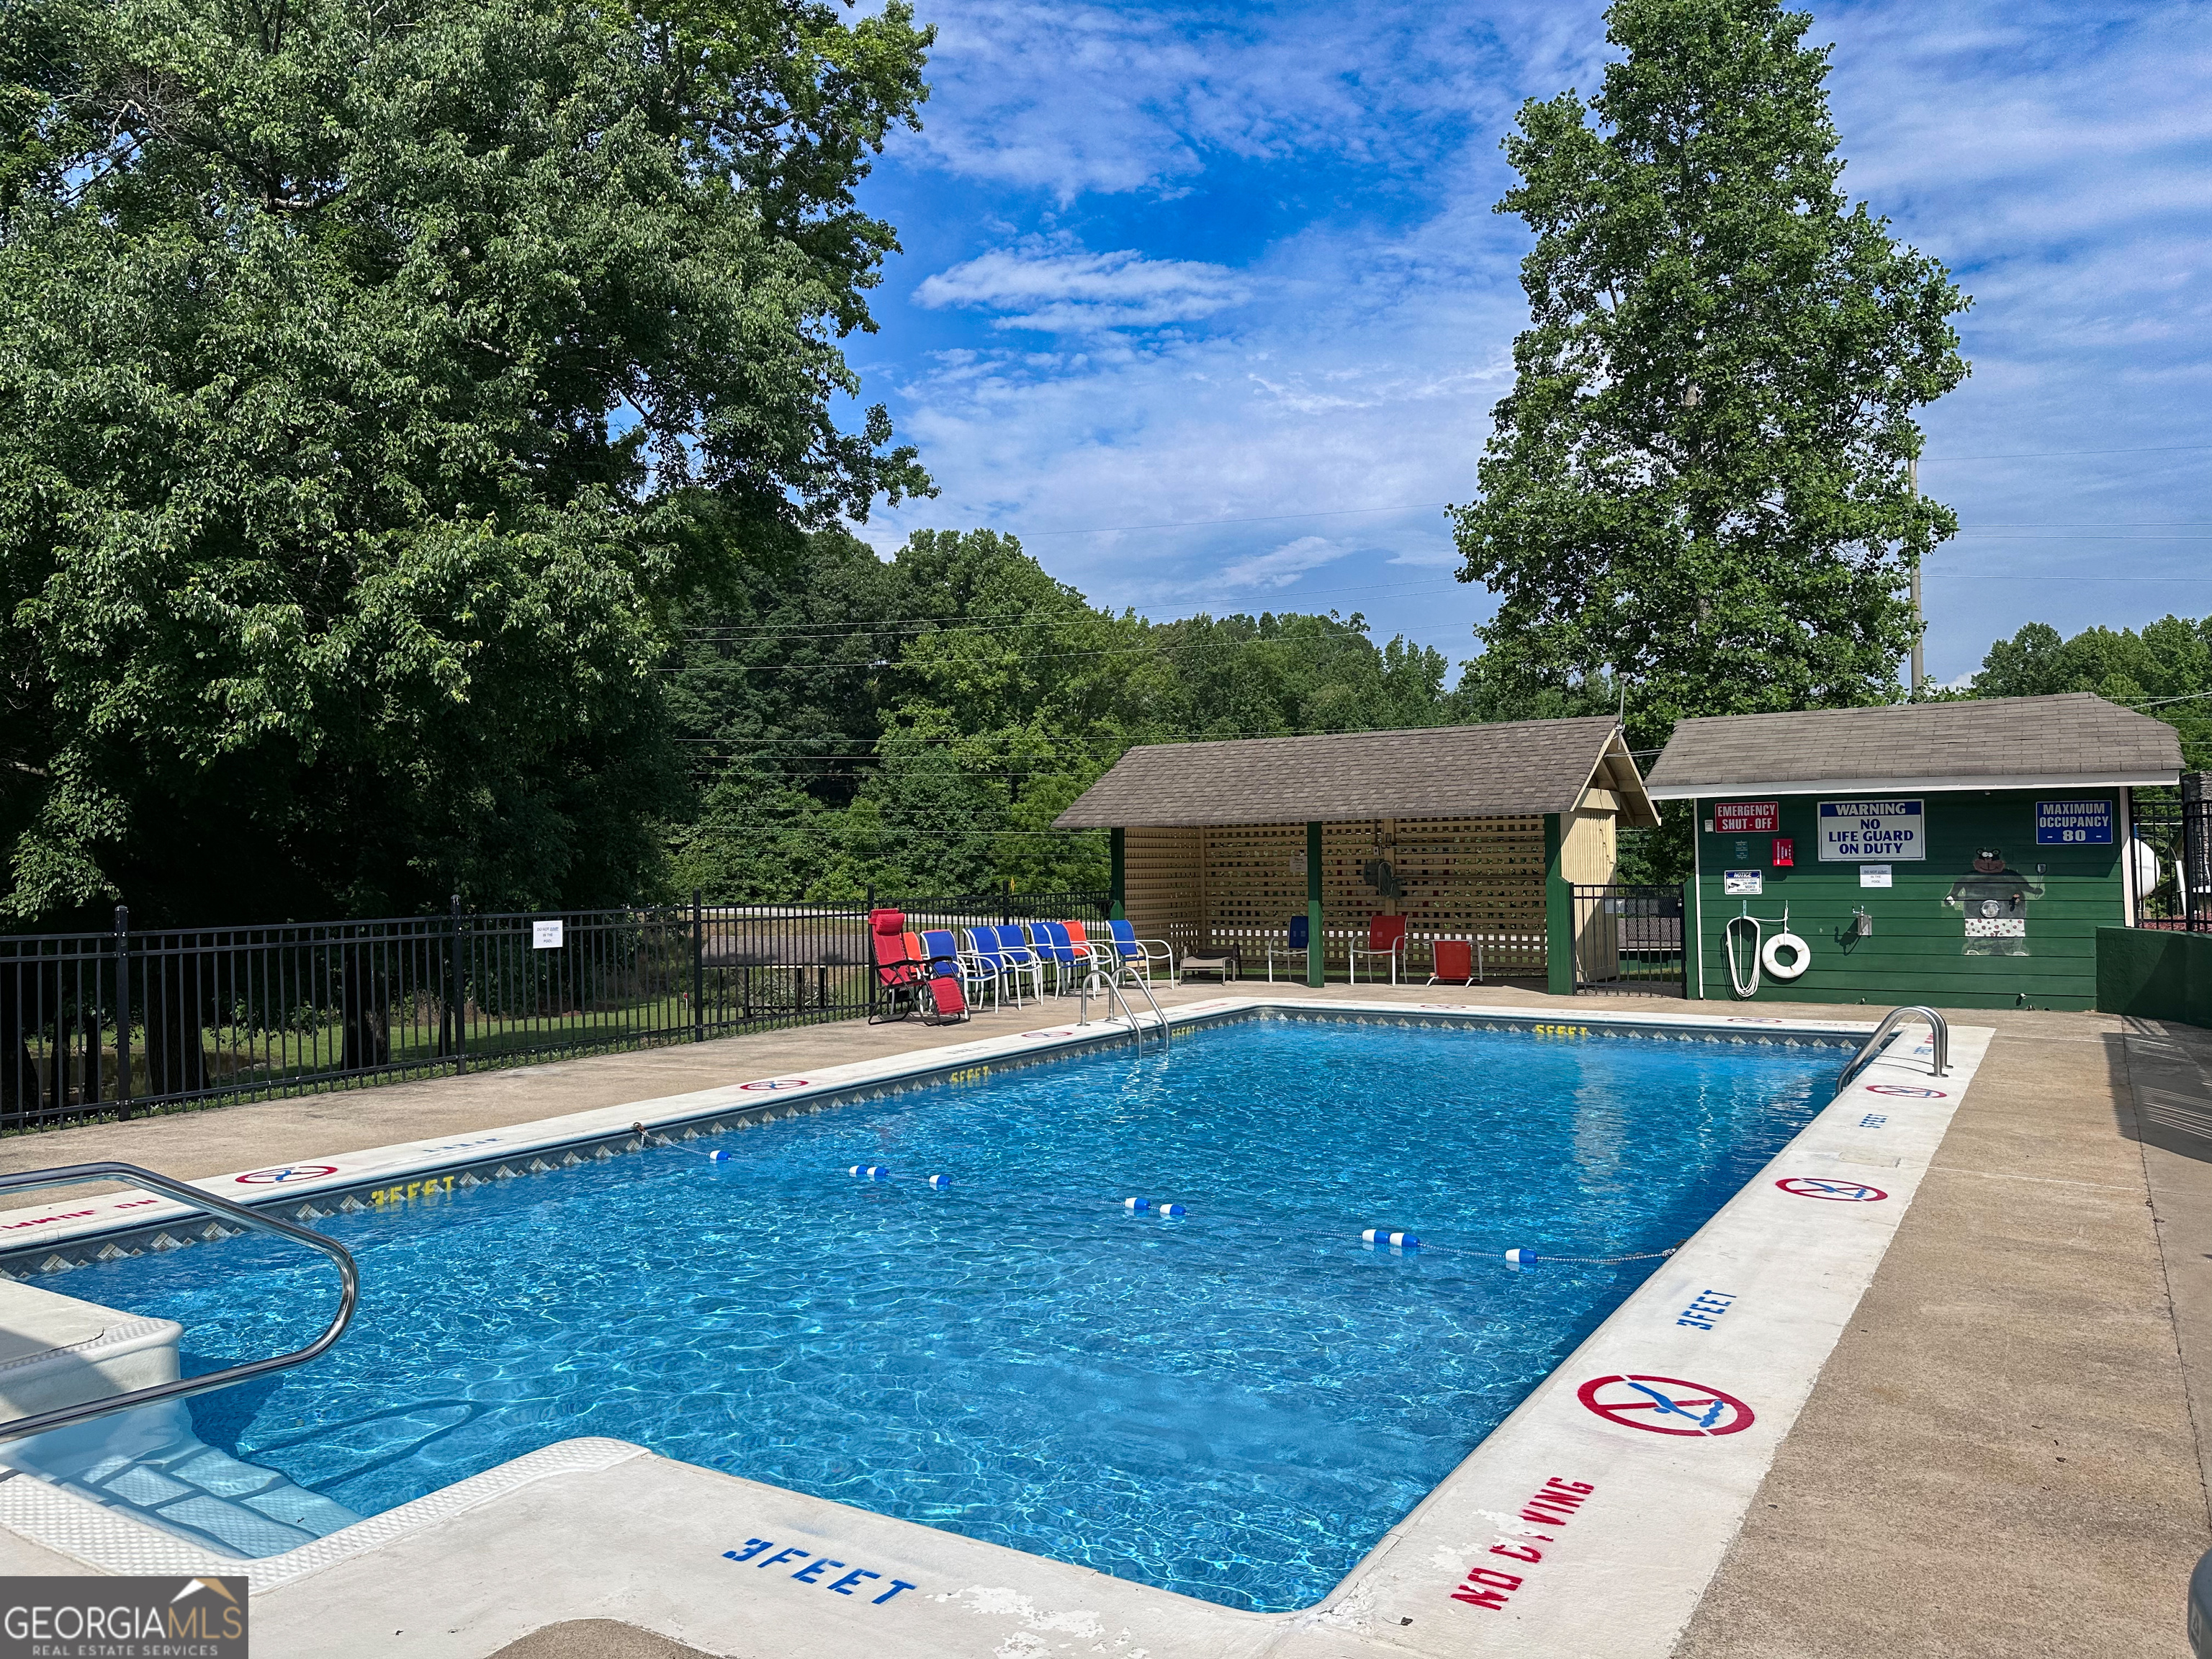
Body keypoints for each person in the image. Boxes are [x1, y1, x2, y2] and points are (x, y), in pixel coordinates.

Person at [1941, 847, 2045, 956]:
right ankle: (1977, 947)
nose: (1989, 863)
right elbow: (1957, 888)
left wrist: (2032, 890)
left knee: (2012, 929)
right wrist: (1953, 896)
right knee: (1977, 929)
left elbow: (2024, 886)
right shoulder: (1970, 876)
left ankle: (2014, 948)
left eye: (1993, 860)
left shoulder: (2010, 876)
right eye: (1983, 860)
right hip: (1976, 910)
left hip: (2009, 910)